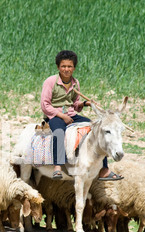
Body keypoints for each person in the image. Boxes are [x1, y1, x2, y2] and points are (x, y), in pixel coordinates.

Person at [40, 50, 123, 181]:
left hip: (71, 114)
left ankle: (104, 168)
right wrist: (62, 116)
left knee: (96, 128)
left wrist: (85, 103)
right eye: (63, 66)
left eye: (69, 66)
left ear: (74, 67)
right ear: (58, 67)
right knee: (59, 132)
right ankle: (58, 166)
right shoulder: (50, 82)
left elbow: (74, 104)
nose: (66, 69)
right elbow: (45, 104)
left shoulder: (75, 83)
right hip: (55, 116)